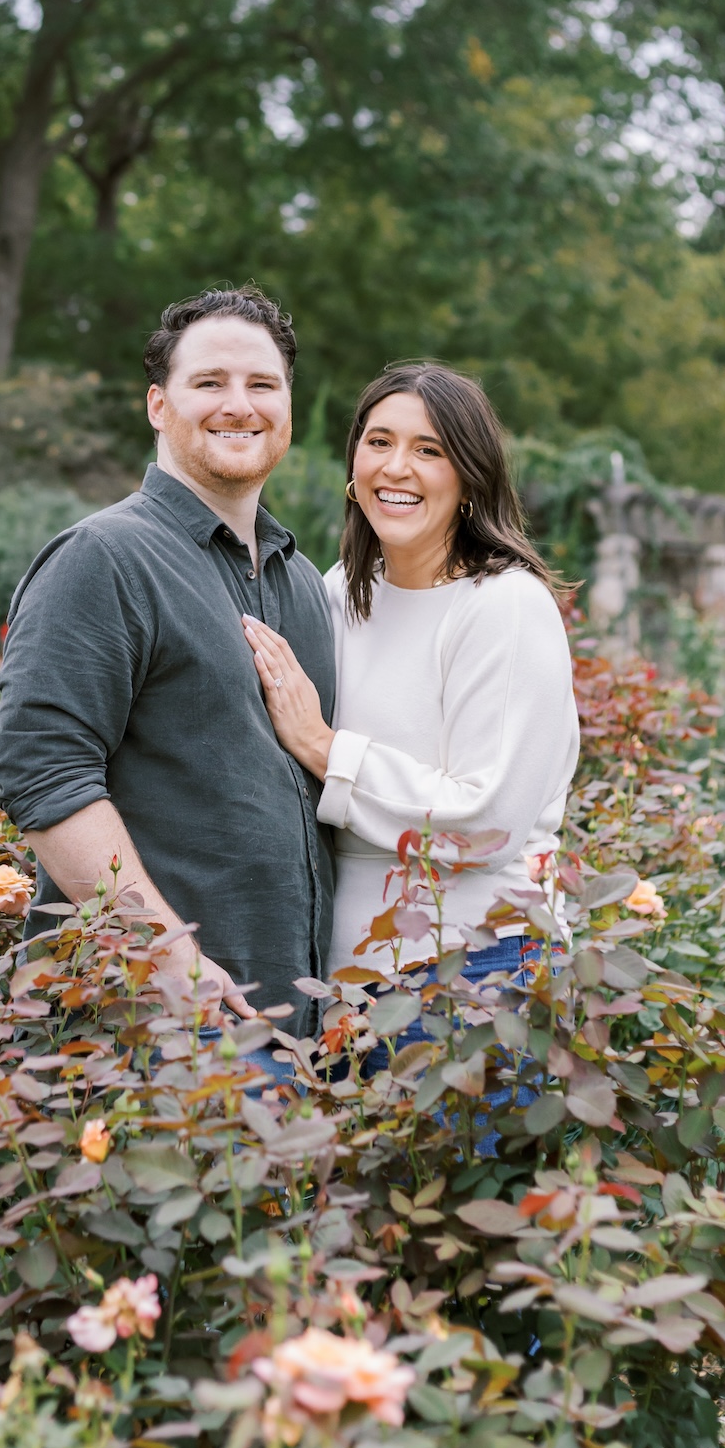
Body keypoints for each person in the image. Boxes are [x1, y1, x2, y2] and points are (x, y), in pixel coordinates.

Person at [0, 285, 335, 1026]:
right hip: (146, 1035)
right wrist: (168, 958)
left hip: (297, 1041)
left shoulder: (303, 583)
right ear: (157, 405)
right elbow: (43, 775)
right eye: (209, 383)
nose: (238, 405)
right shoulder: (104, 558)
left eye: (262, 385)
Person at [241, 362, 578, 989]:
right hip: (342, 978)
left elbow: (487, 822)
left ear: (470, 479)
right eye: (379, 442)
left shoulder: (504, 605)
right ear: (354, 469)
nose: (396, 468)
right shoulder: (338, 593)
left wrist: (322, 746)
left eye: (429, 450)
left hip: (479, 968)